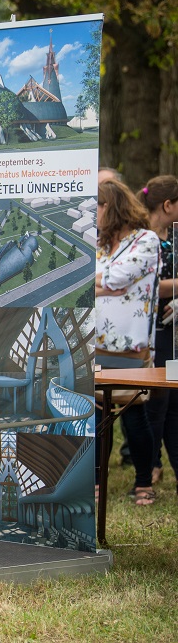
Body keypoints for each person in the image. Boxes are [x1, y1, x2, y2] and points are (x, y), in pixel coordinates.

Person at [95, 177, 160, 507]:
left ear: (110, 207)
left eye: (96, 206)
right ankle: (95, 480)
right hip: (96, 343)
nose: (92, 213)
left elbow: (116, 278)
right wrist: (105, 285)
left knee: (133, 414)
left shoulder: (146, 241)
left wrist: (104, 283)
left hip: (131, 345)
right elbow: (91, 279)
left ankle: (143, 482)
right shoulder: (101, 243)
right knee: (95, 414)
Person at [141, 175, 178, 490]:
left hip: (172, 330)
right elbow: (149, 283)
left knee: (173, 400)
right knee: (157, 402)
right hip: (151, 331)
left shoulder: (173, 236)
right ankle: (148, 468)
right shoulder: (142, 239)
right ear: (167, 205)